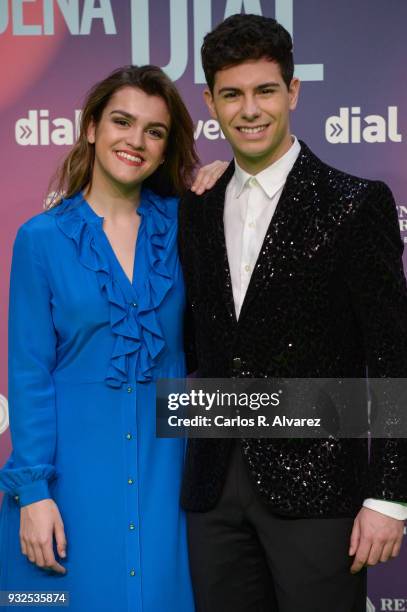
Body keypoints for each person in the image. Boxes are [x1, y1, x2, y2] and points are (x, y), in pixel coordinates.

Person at [178, 14, 407, 612]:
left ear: (293, 91)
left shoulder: (356, 204)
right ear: (210, 100)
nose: (249, 109)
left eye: (265, 90)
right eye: (232, 94)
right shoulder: (194, 208)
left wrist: (389, 496)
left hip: (320, 487)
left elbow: (391, 354)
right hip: (211, 486)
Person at [0, 64, 222, 612]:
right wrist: (34, 492)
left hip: (167, 472)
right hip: (72, 476)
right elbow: (29, 373)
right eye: (122, 122)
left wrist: (228, 183)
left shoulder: (190, 225)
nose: (136, 141)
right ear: (92, 127)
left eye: (155, 130)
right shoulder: (41, 239)